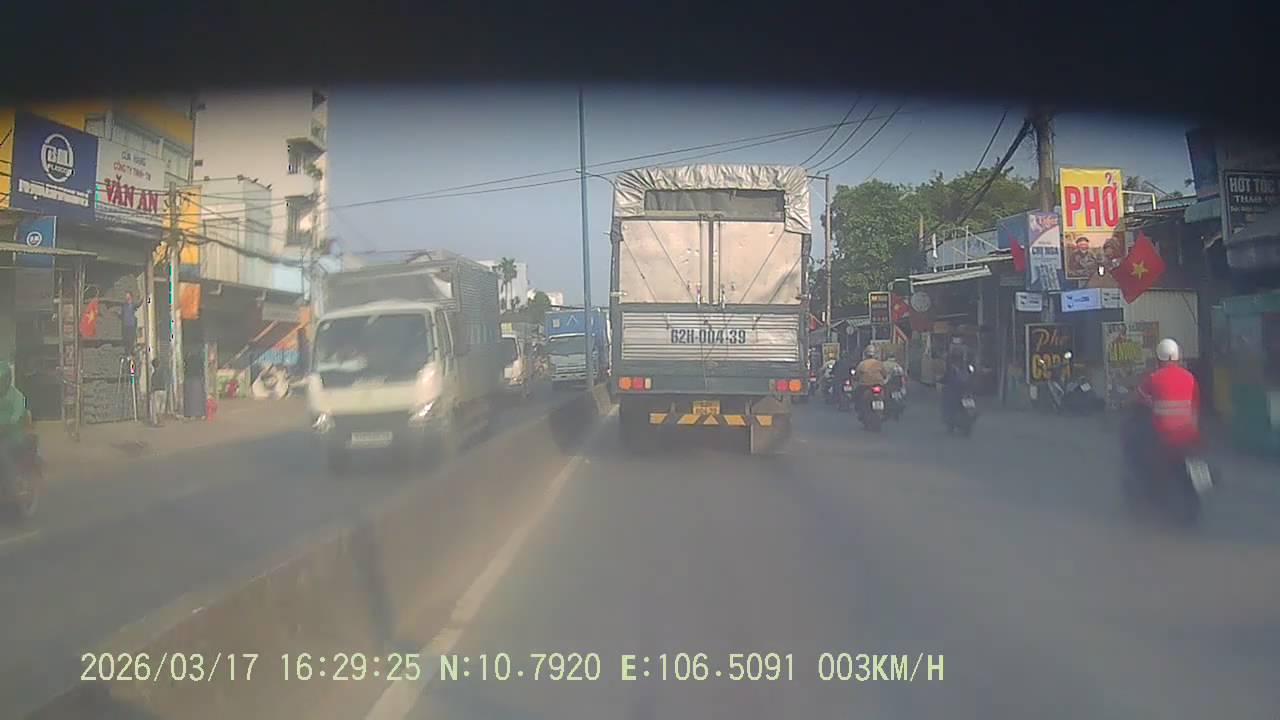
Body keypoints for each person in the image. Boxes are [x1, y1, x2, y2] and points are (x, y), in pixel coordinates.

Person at [1128, 338, 1201, 474]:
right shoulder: (1191, 378)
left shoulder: (1153, 378)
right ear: (1178, 357)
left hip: (1162, 436)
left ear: (1158, 359)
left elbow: (1136, 399)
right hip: (1188, 436)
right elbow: (1195, 411)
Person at [0, 361, 32, 488]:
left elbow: (17, 416)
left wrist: (6, 426)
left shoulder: (17, 396)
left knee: (3, 451)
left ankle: (14, 481)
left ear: (7, 379)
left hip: (14, 435)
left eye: (2, 380)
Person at [150, 358, 170, 427]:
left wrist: (151, 391)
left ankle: (158, 421)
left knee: (156, 407)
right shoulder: (163, 372)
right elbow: (166, 380)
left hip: (156, 391)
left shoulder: (153, 374)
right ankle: (161, 421)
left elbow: (152, 384)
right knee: (162, 407)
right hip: (163, 390)